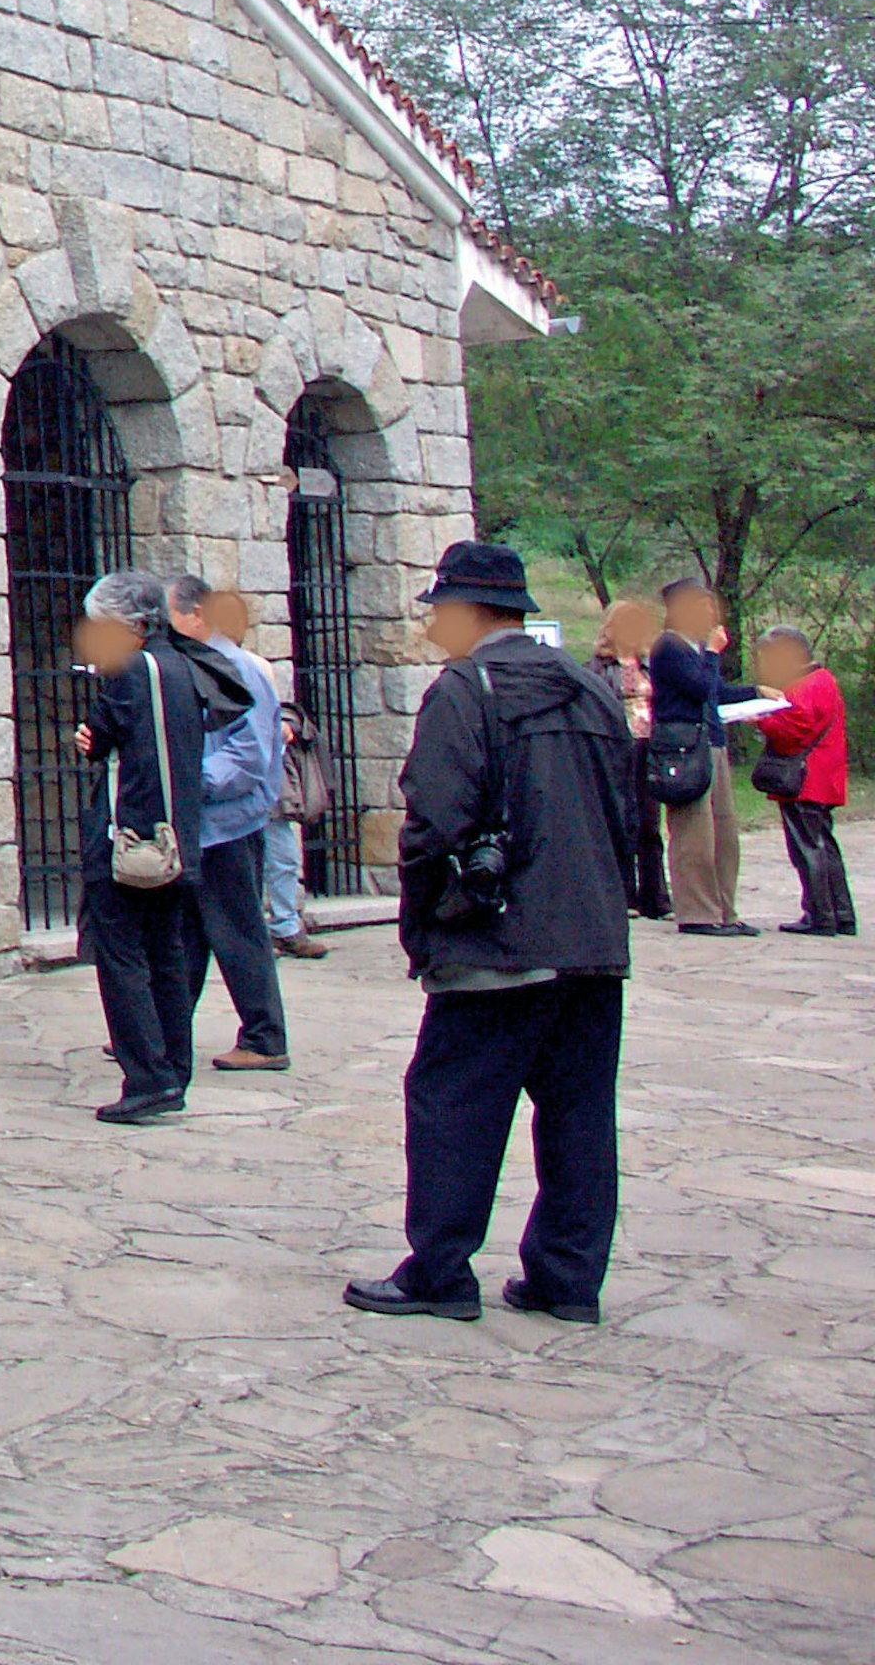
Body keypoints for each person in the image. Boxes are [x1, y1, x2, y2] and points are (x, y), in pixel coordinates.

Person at [346, 539, 638, 1326]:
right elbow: (626, 811)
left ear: (469, 610)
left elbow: (433, 820)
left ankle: (439, 1270)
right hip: (590, 941)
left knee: (453, 1104)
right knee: (579, 1113)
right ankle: (567, 1279)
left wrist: (425, 925)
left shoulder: (465, 690)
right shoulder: (589, 686)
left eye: (439, 608)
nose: (433, 623)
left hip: (495, 943)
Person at [66, 570, 209, 1124]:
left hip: (129, 840)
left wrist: (92, 739)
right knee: (167, 956)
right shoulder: (181, 666)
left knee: (122, 959)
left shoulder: (129, 671)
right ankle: (173, 1070)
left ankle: (146, 1077)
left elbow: (103, 734)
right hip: (176, 837)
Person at [168, 574, 291, 1070]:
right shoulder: (194, 666)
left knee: (237, 932)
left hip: (228, 825)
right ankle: (165, 1029)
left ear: (197, 614)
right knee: (187, 934)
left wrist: (188, 783)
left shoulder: (237, 669)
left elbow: (249, 754)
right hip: (201, 824)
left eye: (170, 615)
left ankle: (265, 1037)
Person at [216, 588, 327, 958]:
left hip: (262, 777)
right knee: (243, 863)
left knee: (281, 856)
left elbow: (276, 715)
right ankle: (254, 932)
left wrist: (285, 726)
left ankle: (284, 925)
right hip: (234, 780)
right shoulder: (208, 667)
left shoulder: (256, 666)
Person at [652, 579, 753, 936]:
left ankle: (726, 910)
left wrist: (756, 695)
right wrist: (712, 654)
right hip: (685, 745)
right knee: (694, 832)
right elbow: (698, 687)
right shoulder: (669, 646)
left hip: (712, 740)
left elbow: (716, 692)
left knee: (723, 832)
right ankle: (696, 912)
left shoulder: (694, 648)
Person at [748, 627, 855, 938]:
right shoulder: (823, 680)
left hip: (806, 779)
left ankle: (819, 914)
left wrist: (760, 720)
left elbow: (794, 730)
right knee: (824, 845)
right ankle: (841, 913)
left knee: (807, 848)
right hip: (823, 776)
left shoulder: (805, 686)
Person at [594, 598, 671, 922]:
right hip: (619, 747)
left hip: (648, 745)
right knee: (623, 820)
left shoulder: (648, 663)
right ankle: (624, 894)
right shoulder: (600, 666)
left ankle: (657, 897)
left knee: (650, 822)